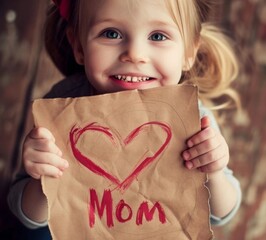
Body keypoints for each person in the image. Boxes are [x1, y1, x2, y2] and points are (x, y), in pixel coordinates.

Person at [8, 0, 242, 236]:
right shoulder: (62, 108)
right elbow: (27, 217)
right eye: (111, 33)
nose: (135, 54)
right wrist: (42, 181)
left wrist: (214, 172)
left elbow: (220, 214)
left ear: (189, 52)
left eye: (158, 36)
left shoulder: (193, 121)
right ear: (78, 46)